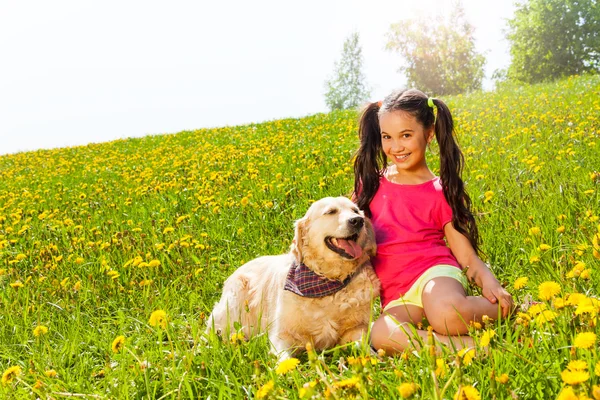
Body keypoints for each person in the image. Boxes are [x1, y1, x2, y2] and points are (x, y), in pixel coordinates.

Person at [352, 88, 513, 354]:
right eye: (387, 137)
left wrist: (490, 283)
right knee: (381, 333)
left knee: (446, 314)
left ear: (428, 134)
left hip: (435, 275)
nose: (396, 147)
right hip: (398, 294)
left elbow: (467, 257)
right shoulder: (371, 185)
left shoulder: (441, 191)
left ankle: (504, 308)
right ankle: (470, 348)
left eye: (406, 135)